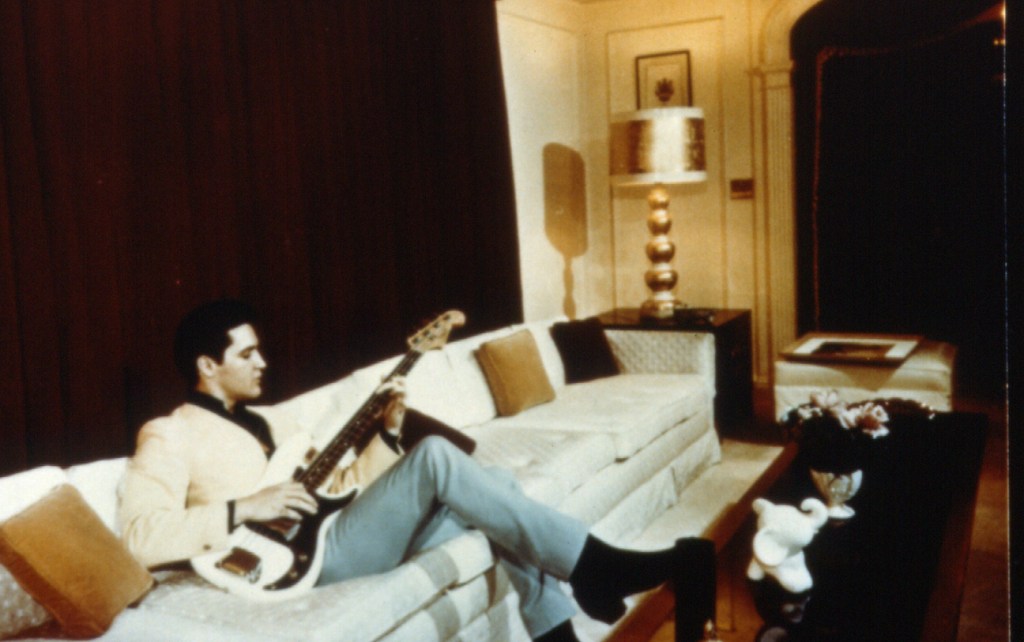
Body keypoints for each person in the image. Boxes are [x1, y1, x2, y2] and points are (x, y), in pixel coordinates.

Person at [118, 300, 710, 642]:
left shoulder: (271, 424)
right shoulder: (169, 433)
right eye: (246, 354)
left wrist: (389, 430)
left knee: (496, 495)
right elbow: (138, 537)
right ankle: (597, 566)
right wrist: (245, 507)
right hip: (296, 564)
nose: (263, 362)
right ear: (206, 365)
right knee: (439, 459)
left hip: (338, 532)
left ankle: (556, 636)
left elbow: (347, 491)